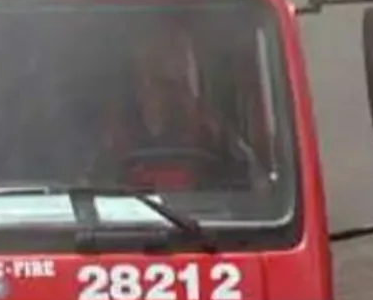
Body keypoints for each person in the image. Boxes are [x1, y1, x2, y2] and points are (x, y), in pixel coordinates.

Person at [87, 20, 258, 192]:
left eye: (182, 83)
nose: (172, 94)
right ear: (139, 86)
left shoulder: (219, 140)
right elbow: (92, 198)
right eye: (161, 82)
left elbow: (259, 193)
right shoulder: (116, 141)